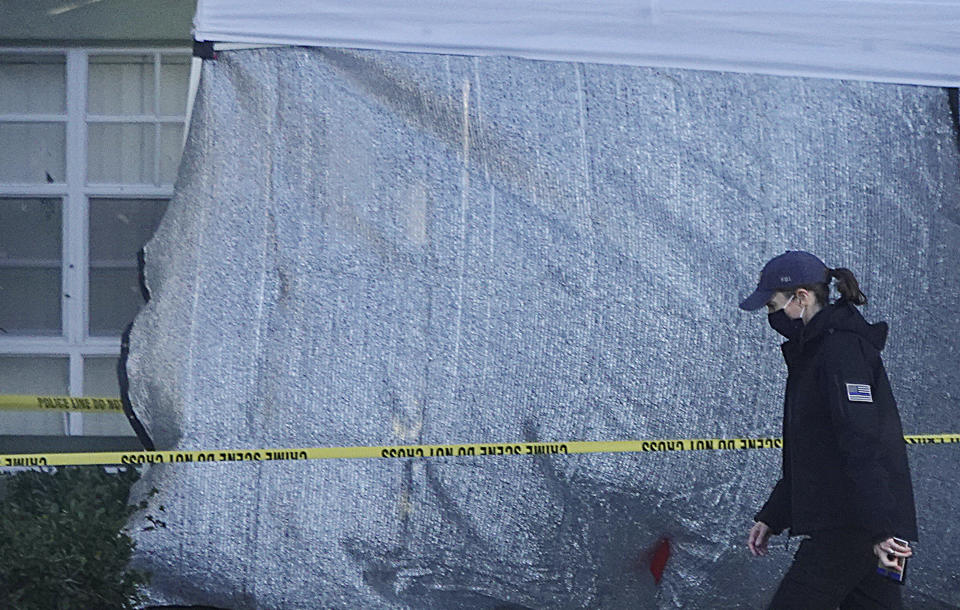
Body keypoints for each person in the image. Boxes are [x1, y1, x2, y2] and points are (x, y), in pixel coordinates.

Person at [739, 251, 918, 609]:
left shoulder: (840, 350)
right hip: (861, 523)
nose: (772, 316)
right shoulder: (816, 350)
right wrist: (774, 514)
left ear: (801, 297)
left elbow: (861, 439)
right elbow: (815, 450)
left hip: (852, 526)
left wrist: (881, 530)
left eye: (774, 306)